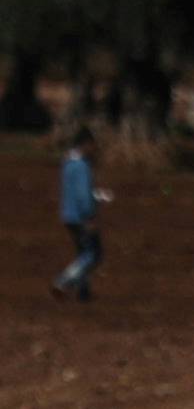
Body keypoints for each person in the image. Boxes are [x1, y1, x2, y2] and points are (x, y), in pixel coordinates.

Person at [51, 126, 108, 302]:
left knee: (82, 253)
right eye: (93, 145)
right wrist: (90, 216)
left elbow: (73, 190)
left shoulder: (67, 163)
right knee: (93, 254)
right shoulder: (82, 166)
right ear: (86, 144)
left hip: (68, 214)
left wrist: (95, 195)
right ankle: (63, 281)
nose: (94, 149)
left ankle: (83, 292)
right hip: (81, 216)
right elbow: (83, 195)